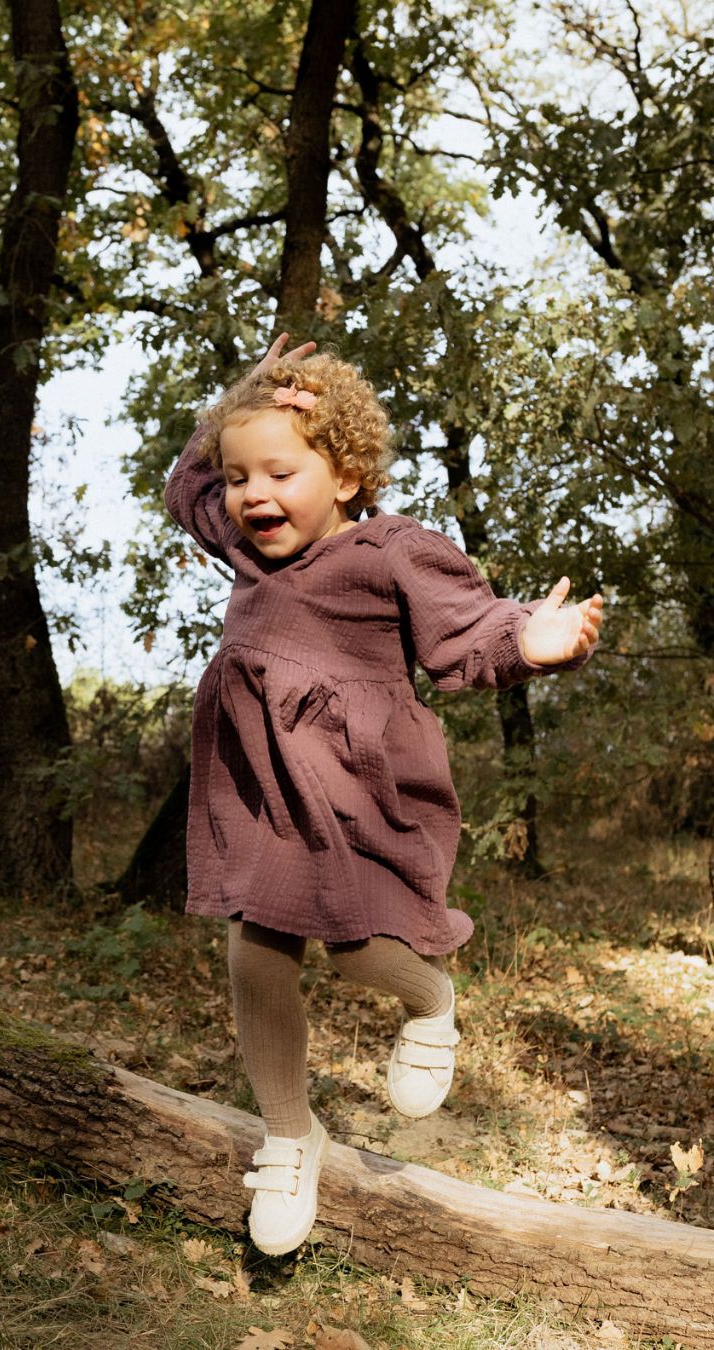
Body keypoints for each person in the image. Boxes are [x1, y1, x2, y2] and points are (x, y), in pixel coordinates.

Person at [164, 334, 604, 1257]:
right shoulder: (249, 553)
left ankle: (430, 997)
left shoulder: (391, 549)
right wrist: (244, 394)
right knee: (255, 953)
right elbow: (186, 489)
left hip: (359, 787)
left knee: (358, 950)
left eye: (279, 472)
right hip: (266, 791)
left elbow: (469, 630)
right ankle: (291, 1136)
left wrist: (532, 640)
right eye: (239, 477)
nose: (250, 494)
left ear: (349, 476)